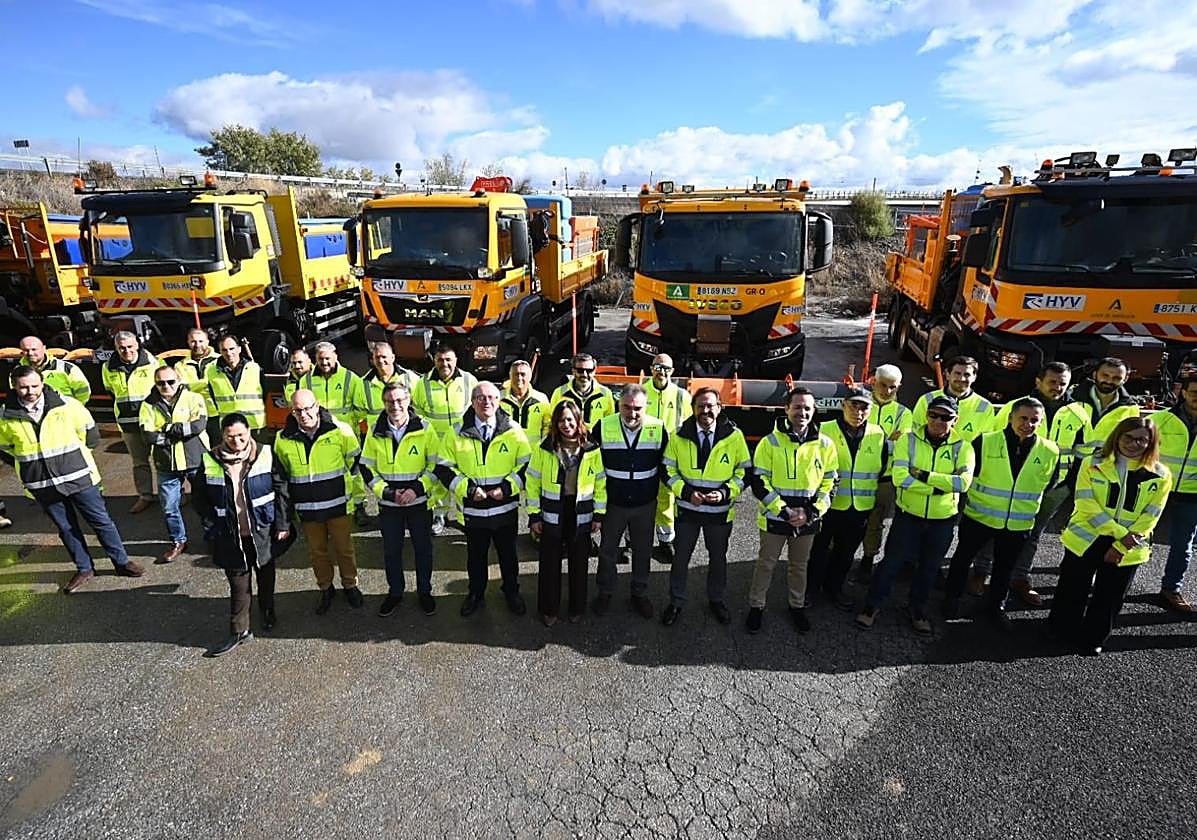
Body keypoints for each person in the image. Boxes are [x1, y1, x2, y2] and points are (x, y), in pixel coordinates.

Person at [0, 365, 144, 592]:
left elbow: (90, 434)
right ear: (14, 387)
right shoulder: (5, 415)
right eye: (24, 387)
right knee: (66, 528)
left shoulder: (67, 405)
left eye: (35, 386)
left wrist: (73, 459)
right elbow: (5, 448)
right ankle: (84, 568)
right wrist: (30, 469)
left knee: (101, 522)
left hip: (78, 477)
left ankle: (121, 562)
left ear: (42, 383)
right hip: (42, 484)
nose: (30, 391)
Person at [966, 362, 1091, 603]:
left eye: (1063, 383)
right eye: (1052, 382)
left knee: (1032, 534)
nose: (1057, 387)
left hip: (1056, 486)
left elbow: (1083, 452)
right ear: (1038, 381)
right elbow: (994, 440)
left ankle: (1020, 577)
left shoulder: (1079, 413)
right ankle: (981, 571)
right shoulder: (1016, 406)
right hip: (1011, 482)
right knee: (994, 527)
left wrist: (1070, 483)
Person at [1049, 417, 1171, 655]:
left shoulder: (1161, 474)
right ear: (1117, 437)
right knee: (1072, 587)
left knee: (1111, 595)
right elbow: (1085, 503)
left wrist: (1123, 544)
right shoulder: (1092, 463)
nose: (1134, 444)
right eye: (1128, 437)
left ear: (1151, 443)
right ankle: (1060, 629)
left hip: (1129, 546)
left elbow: (1152, 514)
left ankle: (1093, 638)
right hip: (1087, 537)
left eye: (1142, 440)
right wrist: (1120, 534)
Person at [856, 395, 974, 635]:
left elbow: (962, 483)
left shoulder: (963, 447)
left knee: (929, 567)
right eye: (933, 415)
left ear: (956, 419)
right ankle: (872, 605)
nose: (938, 421)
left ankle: (917, 609)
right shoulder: (908, 440)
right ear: (926, 415)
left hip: (942, 520)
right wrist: (939, 487)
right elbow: (900, 478)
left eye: (945, 417)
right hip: (908, 516)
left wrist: (922, 475)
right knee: (891, 563)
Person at [942, 398, 1060, 625]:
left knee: (1004, 568)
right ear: (1010, 417)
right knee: (962, 559)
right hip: (980, 517)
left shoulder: (1050, 450)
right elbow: (969, 475)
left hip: (1018, 523)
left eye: (1034, 420)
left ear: (1041, 422)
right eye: (1023, 418)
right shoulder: (986, 441)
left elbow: (1049, 483)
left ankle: (996, 605)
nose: (1028, 424)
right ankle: (952, 598)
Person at [192, 412, 290, 658]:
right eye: (230, 436)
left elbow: (282, 490)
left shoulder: (266, 454)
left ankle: (267, 610)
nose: (236, 441)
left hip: (262, 531)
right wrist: (211, 526)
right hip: (229, 535)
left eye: (240, 435)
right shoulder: (209, 460)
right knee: (238, 584)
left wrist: (282, 524)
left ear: (249, 432)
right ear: (222, 436)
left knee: (265, 574)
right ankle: (239, 630)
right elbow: (200, 499)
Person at [434, 381, 531, 617]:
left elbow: (527, 466)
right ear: (472, 402)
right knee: (475, 557)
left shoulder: (513, 430)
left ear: (499, 401)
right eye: (480, 398)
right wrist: (468, 489)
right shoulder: (456, 432)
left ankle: (511, 592)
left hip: (504, 507)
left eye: (492, 397)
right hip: (473, 509)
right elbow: (443, 467)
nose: (487, 402)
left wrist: (506, 488)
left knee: (508, 555)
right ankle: (476, 594)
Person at [747, 387, 839, 633]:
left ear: (814, 411)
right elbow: (759, 482)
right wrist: (784, 511)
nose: (802, 412)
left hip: (807, 518)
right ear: (786, 409)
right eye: (797, 407)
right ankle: (756, 606)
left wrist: (810, 513)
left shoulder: (825, 444)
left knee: (799, 566)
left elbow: (830, 483)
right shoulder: (770, 442)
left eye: (807, 408)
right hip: (776, 517)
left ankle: (796, 606)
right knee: (766, 564)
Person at [662, 386, 751, 626]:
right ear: (693, 409)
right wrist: (686, 492)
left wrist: (725, 493)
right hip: (687, 511)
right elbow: (667, 469)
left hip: (719, 513)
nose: (705, 410)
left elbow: (744, 472)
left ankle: (716, 600)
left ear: (719, 408)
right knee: (680, 559)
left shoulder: (734, 436)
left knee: (718, 559)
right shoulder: (678, 435)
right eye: (700, 406)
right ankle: (676, 602)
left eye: (710, 405)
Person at [274, 389, 364, 614]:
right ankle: (325, 588)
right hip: (307, 507)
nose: (304, 414)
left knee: (344, 549)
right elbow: (282, 476)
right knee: (317, 552)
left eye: (307, 408)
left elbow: (354, 463)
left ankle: (350, 585)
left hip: (338, 503)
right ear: (292, 412)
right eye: (298, 410)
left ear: (317, 406)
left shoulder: (340, 430)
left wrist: (353, 496)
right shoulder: (283, 439)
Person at [359, 382, 439, 617]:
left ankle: (424, 591)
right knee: (391, 551)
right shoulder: (375, 430)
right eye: (390, 401)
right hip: (389, 504)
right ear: (384, 403)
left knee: (423, 550)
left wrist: (417, 489)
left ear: (408, 400)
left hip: (419, 503)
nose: (395, 405)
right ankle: (395, 592)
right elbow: (366, 467)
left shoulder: (425, 428)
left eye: (400, 400)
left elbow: (436, 465)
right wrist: (387, 493)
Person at [806, 387, 887, 614]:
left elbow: (881, 467)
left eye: (864, 408)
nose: (858, 412)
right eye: (853, 406)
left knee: (845, 553)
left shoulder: (878, 434)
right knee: (818, 550)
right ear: (843, 405)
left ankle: (835, 588)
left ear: (871, 410)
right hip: (828, 505)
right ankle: (810, 589)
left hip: (860, 507)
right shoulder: (824, 430)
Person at [527, 399, 606, 625]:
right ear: (555, 423)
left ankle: (576, 607)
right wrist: (534, 515)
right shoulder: (544, 448)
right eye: (561, 420)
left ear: (578, 421)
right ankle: (549, 609)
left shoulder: (591, 449)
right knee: (549, 564)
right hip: (553, 510)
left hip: (580, 511)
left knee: (579, 563)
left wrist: (598, 514)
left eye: (570, 420)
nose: (566, 424)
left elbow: (600, 483)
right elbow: (532, 481)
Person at [594, 384, 667, 619]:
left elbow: (666, 464)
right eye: (626, 407)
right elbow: (591, 463)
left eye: (637, 408)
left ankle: (639, 593)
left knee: (643, 551)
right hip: (613, 503)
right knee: (607, 551)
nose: (632, 413)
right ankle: (605, 591)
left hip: (644, 504)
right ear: (618, 404)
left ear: (646, 407)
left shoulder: (658, 428)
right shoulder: (603, 426)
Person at [139, 365, 208, 564]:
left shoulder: (194, 398)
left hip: (194, 459)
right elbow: (148, 435)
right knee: (169, 507)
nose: (166, 386)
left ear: (179, 381)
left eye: (170, 382)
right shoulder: (148, 405)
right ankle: (178, 541)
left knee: (205, 502)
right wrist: (177, 434)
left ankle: (213, 536)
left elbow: (198, 426)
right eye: (161, 383)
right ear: (155, 384)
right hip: (166, 463)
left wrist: (167, 428)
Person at [413, 344, 479, 534]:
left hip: (462, 441)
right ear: (434, 361)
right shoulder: (423, 383)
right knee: (439, 481)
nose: (445, 364)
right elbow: (417, 411)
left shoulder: (469, 380)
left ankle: (464, 518)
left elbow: (478, 407)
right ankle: (439, 515)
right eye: (440, 360)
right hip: (436, 443)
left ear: (456, 360)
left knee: (463, 479)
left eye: (448, 360)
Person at [859, 364, 912, 583]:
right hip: (856, 476)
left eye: (893, 387)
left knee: (876, 522)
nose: (887, 391)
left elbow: (902, 446)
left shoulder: (904, 413)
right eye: (883, 385)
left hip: (885, 479)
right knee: (846, 521)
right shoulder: (861, 405)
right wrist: (888, 441)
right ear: (873, 382)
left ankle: (867, 560)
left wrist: (870, 443)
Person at [101, 330, 159, 512]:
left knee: (163, 461)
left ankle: (175, 494)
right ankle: (145, 495)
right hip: (128, 424)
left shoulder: (153, 363)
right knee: (139, 462)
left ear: (137, 345)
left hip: (153, 422)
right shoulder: (108, 367)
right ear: (116, 348)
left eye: (130, 346)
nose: (127, 351)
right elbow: (111, 391)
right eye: (122, 348)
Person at [1154, 375, 1197, 613]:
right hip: (1154, 489)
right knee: (1135, 537)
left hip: (1192, 494)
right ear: (1183, 392)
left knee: (1183, 545)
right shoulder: (1160, 419)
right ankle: (1114, 580)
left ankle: (1171, 589)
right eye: (1194, 392)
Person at [644, 353, 691, 564]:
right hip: (643, 455)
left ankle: (665, 541)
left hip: (669, 457)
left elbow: (689, 428)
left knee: (666, 500)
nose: (661, 372)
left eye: (666, 368)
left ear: (672, 371)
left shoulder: (682, 396)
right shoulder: (640, 392)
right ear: (651, 368)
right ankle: (630, 541)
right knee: (636, 499)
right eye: (658, 367)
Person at [912, 355, 995, 443]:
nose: (962, 378)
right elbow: (915, 433)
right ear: (947, 375)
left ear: (974, 377)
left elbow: (985, 443)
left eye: (967, 374)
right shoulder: (926, 400)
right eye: (957, 373)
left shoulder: (985, 407)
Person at [1071, 357, 1140, 462]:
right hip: (1070, 465)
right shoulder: (1072, 398)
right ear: (1095, 374)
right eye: (1105, 375)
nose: (1109, 381)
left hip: (1105, 466)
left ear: (1125, 379)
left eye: (1116, 378)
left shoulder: (1131, 408)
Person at [205, 334, 266, 435]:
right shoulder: (211, 372)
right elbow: (214, 397)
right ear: (220, 352)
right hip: (229, 427)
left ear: (239, 349)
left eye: (232, 349)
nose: (229, 353)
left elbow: (266, 393)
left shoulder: (255, 368)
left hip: (255, 426)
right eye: (224, 350)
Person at [550, 353, 616, 430]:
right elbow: (552, 421)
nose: (584, 374)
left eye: (589, 371)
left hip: (595, 437)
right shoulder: (559, 393)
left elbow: (610, 423)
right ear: (573, 371)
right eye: (580, 371)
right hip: (569, 436)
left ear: (594, 371)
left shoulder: (606, 393)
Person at [176, 328, 220, 441]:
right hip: (194, 415)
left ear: (208, 342)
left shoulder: (219, 361)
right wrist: (205, 383)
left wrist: (192, 386)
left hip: (217, 413)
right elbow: (181, 389)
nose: (197, 345)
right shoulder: (180, 365)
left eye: (201, 341)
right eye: (193, 341)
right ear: (188, 342)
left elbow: (217, 385)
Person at [18, 335, 91, 403]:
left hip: (64, 410)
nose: (30, 353)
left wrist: (75, 407)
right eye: (26, 350)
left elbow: (83, 391)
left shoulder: (67, 368)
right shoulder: (17, 371)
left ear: (44, 349)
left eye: (34, 349)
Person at [500, 359, 551, 439]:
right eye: (516, 374)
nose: (519, 378)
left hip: (533, 447)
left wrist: (543, 445)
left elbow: (547, 426)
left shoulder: (541, 399)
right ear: (510, 376)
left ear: (530, 377)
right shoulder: (499, 398)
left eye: (523, 374)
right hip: (506, 446)